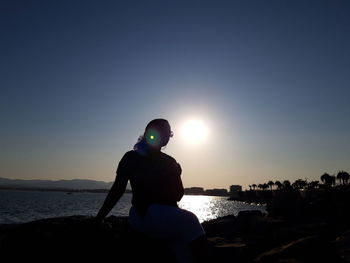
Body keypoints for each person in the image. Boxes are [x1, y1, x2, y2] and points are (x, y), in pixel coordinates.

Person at [95, 118, 207, 263]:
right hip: (143, 213)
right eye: (161, 131)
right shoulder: (131, 157)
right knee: (190, 219)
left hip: (165, 215)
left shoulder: (170, 161)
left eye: (168, 133)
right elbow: (118, 189)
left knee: (182, 250)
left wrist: (176, 176)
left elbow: (178, 196)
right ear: (149, 133)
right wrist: (99, 218)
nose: (165, 136)